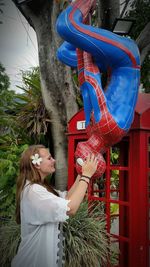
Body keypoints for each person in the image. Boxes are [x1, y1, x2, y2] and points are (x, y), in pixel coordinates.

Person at [11, 144, 98, 267]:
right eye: (49, 158)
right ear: (36, 164)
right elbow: (71, 208)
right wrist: (87, 176)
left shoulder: (39, 187)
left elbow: (67, 199)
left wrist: (81, 173)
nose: (54, 160)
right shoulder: (34, 192)